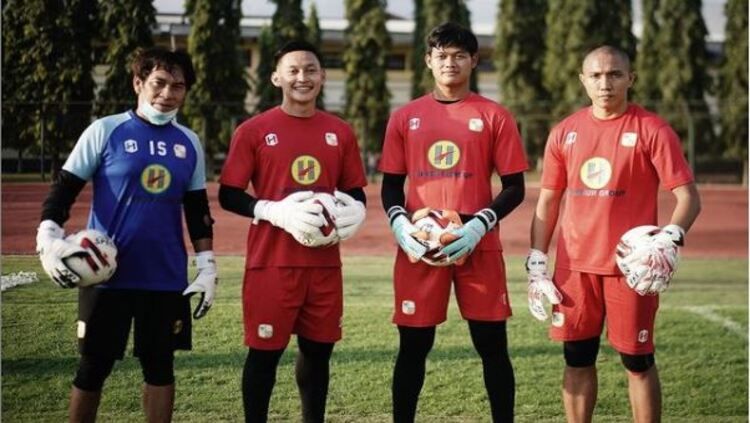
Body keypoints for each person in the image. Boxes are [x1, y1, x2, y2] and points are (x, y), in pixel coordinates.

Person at [35, 47, 218, 423]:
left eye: (178, 86)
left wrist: (207, 264)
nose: (168, 93)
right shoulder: (105, 130)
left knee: (160, 368)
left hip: (166, 277)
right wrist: (48, 237)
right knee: (93, 368)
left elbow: (198, 211)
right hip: (106, 275)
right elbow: (64, 189)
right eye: (159, 83)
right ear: (138, 83)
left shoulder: (190, 142)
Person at [527, 45, 701, 423]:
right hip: (573, 270)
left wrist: (670, 236)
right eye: (596, 75)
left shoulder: (652, 129)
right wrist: (538, 260)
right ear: (583, 80)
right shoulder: (565, 132)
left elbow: (688, 197)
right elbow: (547, 203)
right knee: (576, 358)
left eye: (615, 74)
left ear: (630, 79)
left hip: (631, 270)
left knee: (637, 361)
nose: (605, 83)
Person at [379, 22, 528, 422]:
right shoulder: (405, 117)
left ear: (474, 61)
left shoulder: (494, 115)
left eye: (459, 55)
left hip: (477, 243)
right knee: (413, 345)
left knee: (492, 345)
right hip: (421, 247)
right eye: (442, 55)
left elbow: (515, 186)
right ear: (428, 61)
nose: (450, 63)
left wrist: (480, 223)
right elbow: (391, 185)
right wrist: (400, 225)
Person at [218, 40, 368, 423]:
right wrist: (272, 211)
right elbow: (229, 194)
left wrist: (356, 212)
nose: (303, 77)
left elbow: (354, 191)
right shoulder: (253, 131)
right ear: (276, 77)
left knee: (318, 355)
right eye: (294, 70)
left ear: (322, 76)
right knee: (264, 355)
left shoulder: (340, 132)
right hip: (271, 265)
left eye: (311, 70)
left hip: (323, 266)